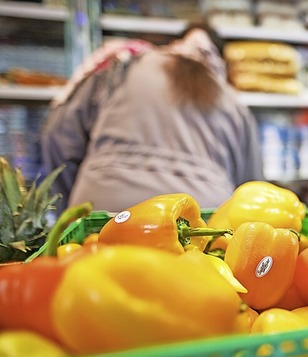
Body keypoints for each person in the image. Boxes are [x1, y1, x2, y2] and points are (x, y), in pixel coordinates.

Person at [40, 22, 264, 214]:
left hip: (102, 208)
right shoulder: (232, 102)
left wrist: (70, 205)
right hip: (201, 214)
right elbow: (253, 192)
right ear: (221, 60)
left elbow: (58, 135)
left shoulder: (124, 64)